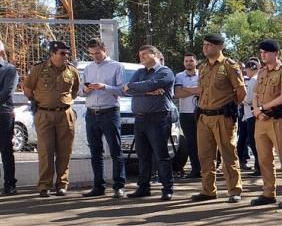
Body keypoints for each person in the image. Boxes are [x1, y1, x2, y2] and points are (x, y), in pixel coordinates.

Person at [192, 33, 246, 203]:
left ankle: (234, 190)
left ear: (219, 47)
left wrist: (230, 107)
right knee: (205, 155)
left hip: (223, 117)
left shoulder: (230, 65)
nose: (205, 47)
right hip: (204, 117)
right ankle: (208, 190)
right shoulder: (202, 67)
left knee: (228, 154)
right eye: (204, 45)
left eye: (209, 45)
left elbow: (241, 91)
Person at [22, 41, 80, 197]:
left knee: (64, 151)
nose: (66, 56)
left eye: (67, 53)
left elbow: (74, 91)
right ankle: (44, 186)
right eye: (62, 53)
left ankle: (61, 185)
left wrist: (64, 103)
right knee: (45, 151)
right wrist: (38, 101)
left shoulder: (72, 71)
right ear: (52, 54)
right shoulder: (38, 69)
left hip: (65, 115)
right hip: (44, 114)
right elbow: (27, 88)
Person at [121, 45, 176, 201]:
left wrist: (136, 87)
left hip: (158, 119)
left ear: (155, 55)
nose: (141, 57)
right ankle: (143, 188)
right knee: (142, 155)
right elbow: (128, 91)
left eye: (145, 54)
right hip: (139, 118)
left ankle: (167, 188)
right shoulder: (139, 72)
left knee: (161, 155)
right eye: (140, 55)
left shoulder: (165, 72)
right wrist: (146, 90)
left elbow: (147, 85)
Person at [250, 39, 282, 209]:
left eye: (266, 52)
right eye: (261, 52)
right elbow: (255, 93)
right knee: (264, 158)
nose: (263, 55)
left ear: (276, 53)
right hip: (261, 120)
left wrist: (263, 108)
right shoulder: (262, 72)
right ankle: (268, 192)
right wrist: (257, 109)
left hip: (278, 120)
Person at [80, 38, 127, 199]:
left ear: (104, 50)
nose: (96, 57)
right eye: (92, 54)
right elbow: (80, 92)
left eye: (98, 53)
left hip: (109, 112)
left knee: (115, 150)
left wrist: (104, 87)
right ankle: (98, 186)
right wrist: (86, 89)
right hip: (91, 113)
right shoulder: (88, 68)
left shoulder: (116, 66)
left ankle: (119, 186)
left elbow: (122, 91)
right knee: (95, 151)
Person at [174, 52, 201, 179]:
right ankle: (195, 169)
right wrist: (194, 90)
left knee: (203, 142)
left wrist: (186, 88)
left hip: (201, 112)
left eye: (191, 61)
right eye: (186, 61)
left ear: (196, 62)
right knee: (191, 143)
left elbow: (202, 91)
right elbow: (177, 93)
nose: (188, 63)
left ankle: (207, 168)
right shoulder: (179, 76)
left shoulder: (202, 74)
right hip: (185, 114)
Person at [0, 39, 17, 195]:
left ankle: (10, 184)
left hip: (3, 114)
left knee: (6, 150)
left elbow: (7, 92)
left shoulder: (9, 69)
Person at [238, 60, 260, 175]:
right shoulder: (258, 79)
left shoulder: (253, 80)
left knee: (253, 141)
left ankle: (259, 166)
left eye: (246, 69)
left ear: (250, 69)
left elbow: (249, 99)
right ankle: (258, 165)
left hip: (251, 114)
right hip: (250, 114)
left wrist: (239, 100)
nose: (246, 72)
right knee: (253, 141)